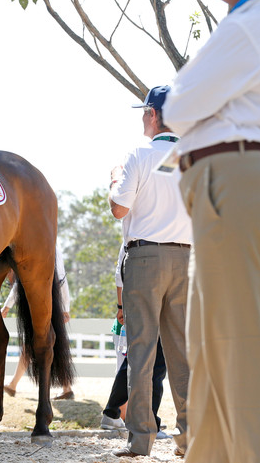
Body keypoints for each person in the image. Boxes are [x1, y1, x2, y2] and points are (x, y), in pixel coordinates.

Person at [163, 0, 260, 461]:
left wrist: (188, 105)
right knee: (212, 350)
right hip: (235, 183)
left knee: (231, 349)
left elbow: (177, 109)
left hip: (234, 182)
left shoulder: (252, 23)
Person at [108, 86, 192, 458]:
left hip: (145, 260)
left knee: (141, 353)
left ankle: (140, 440)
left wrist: (114, 180)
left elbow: (119, 209)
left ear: (155, 114)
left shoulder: (138, 154)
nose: (142, 117)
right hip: (187, 260)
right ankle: (191, 437)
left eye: (145, 111)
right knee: (183, 354)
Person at [100, 244, 170, 441]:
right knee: (157, 365)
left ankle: (111, 412)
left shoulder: (132, 237)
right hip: (155, 300)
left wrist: (121, 306)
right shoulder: (157, 234)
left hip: (136, 299)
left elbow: (119, 272)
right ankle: (151, 424)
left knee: (135, 359)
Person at [2, 249, 72, 400]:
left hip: (45, 303)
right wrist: (66, 308)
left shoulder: (42, 247)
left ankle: (13, 385)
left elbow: (23, 280)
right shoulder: (51, 246)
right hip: (52, 302)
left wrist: (7, 306)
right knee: (51, 343)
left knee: (33, 344)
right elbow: (62, 279)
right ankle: (66, 388)